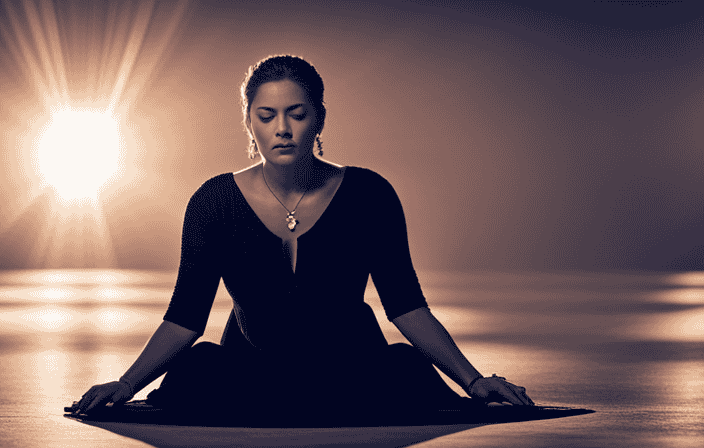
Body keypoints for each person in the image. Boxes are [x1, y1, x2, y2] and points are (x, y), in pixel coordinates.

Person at [75, 55, 534, 416]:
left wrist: (474, 382)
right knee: (197, 369)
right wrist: (125, 384)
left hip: (355, 373)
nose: (282, 129)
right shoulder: (212, 201)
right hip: (251, 373)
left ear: (319, 118)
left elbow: (407, 307)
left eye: (296, 113)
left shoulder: (369, 193)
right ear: (249, 122)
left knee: (405, 370)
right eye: (266, 115)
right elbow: (184, 320)